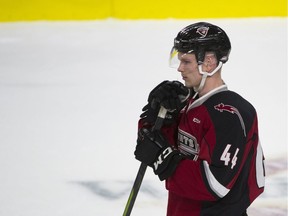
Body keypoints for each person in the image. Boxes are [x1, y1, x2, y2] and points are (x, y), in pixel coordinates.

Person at [134, 22, 265, 216]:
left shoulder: (231, 113)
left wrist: (166, 160)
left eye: (186, 62)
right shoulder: (187, 102)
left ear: (209, 62)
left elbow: (216, 184)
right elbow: (153, 145)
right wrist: (156, 117)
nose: (179, 68)